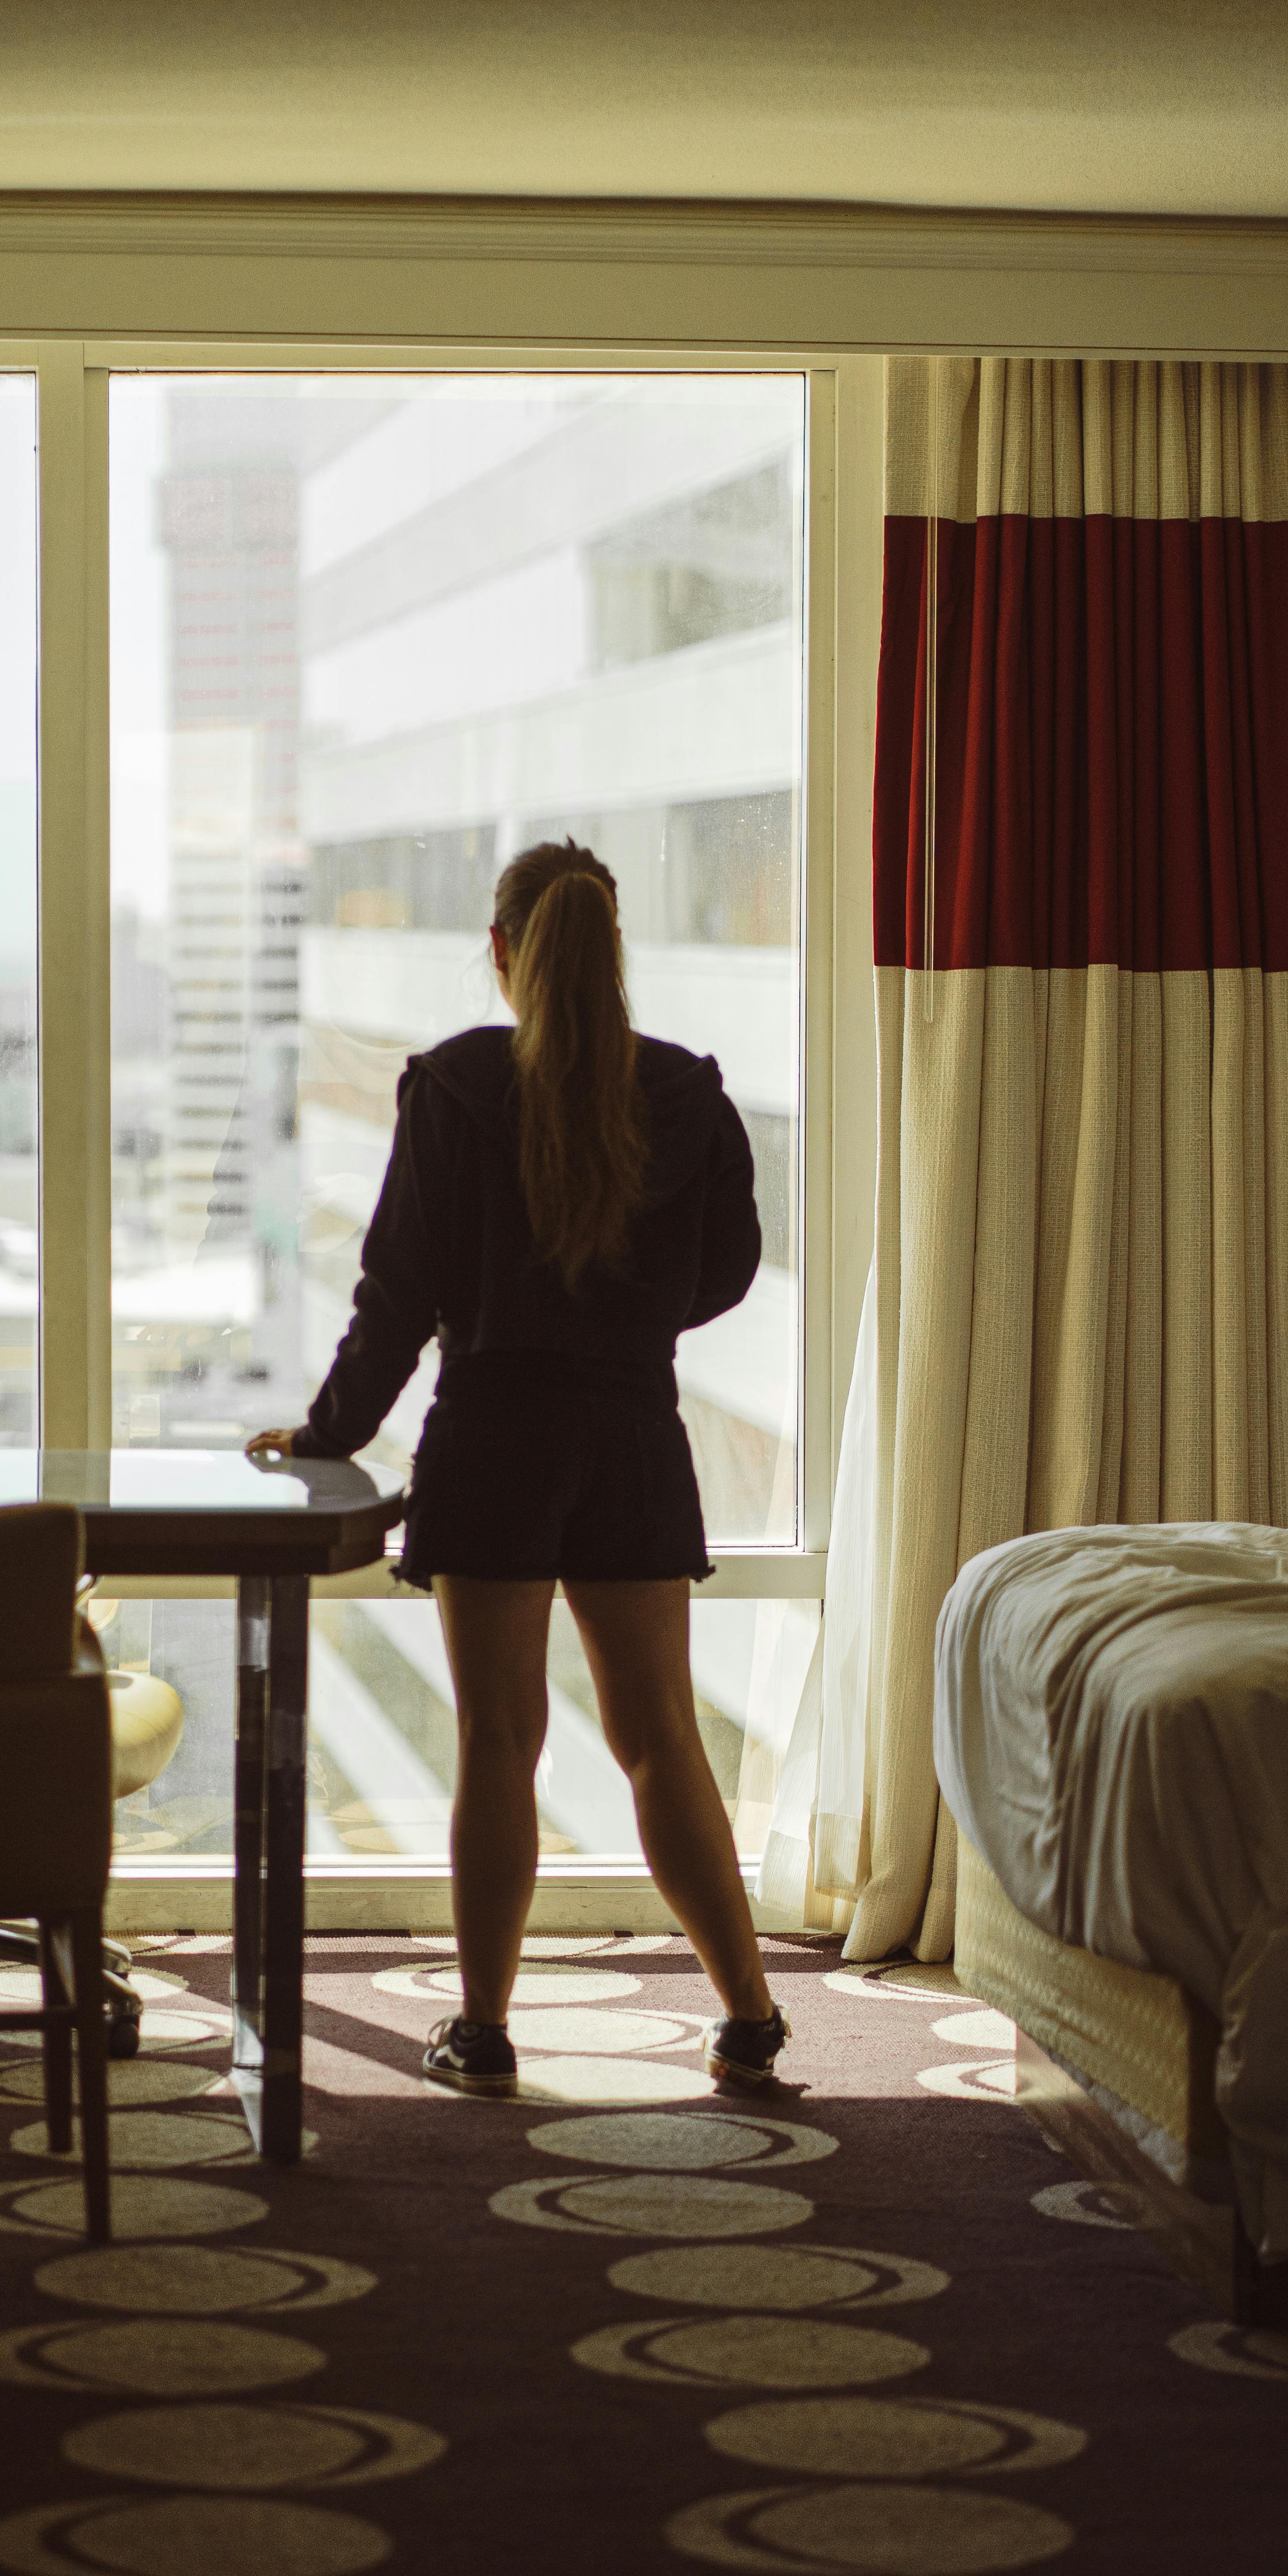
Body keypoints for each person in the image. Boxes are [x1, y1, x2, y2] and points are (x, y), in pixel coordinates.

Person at [246, 837, 790, 2098]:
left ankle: (484, 2030)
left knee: (500, 1737)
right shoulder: (688, 1093)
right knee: (660, 1736)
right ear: (612, 951)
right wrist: (623, 1318)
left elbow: (395, 1297)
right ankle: (749, 2014)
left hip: (493, 1436)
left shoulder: (453, 1087)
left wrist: (324, 1435)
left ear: (502, 952)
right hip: (630, 1438)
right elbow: (725, 1272)